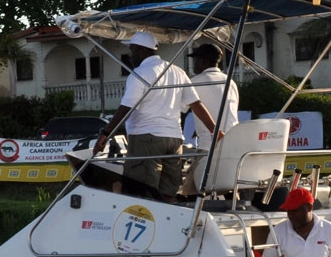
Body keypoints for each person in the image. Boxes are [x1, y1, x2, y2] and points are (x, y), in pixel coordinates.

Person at [93, 30, 221, 202]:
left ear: (141, 50)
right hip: (174, 139)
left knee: (142, 191)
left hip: (146, 137)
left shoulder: (140, 73)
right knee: (168, 192)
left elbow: (126, 107)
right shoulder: (177, 71)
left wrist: (106, 133)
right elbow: (196, 104)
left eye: (132, 51)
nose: (130, 56)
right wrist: (216, 131)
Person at [188, 43, 240, 145]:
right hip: (233, 140)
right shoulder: (230, 82)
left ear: (204, 61)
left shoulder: (195, 81)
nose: (194, 64)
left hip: (210, 142)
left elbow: (179, 109)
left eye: (196, 60)